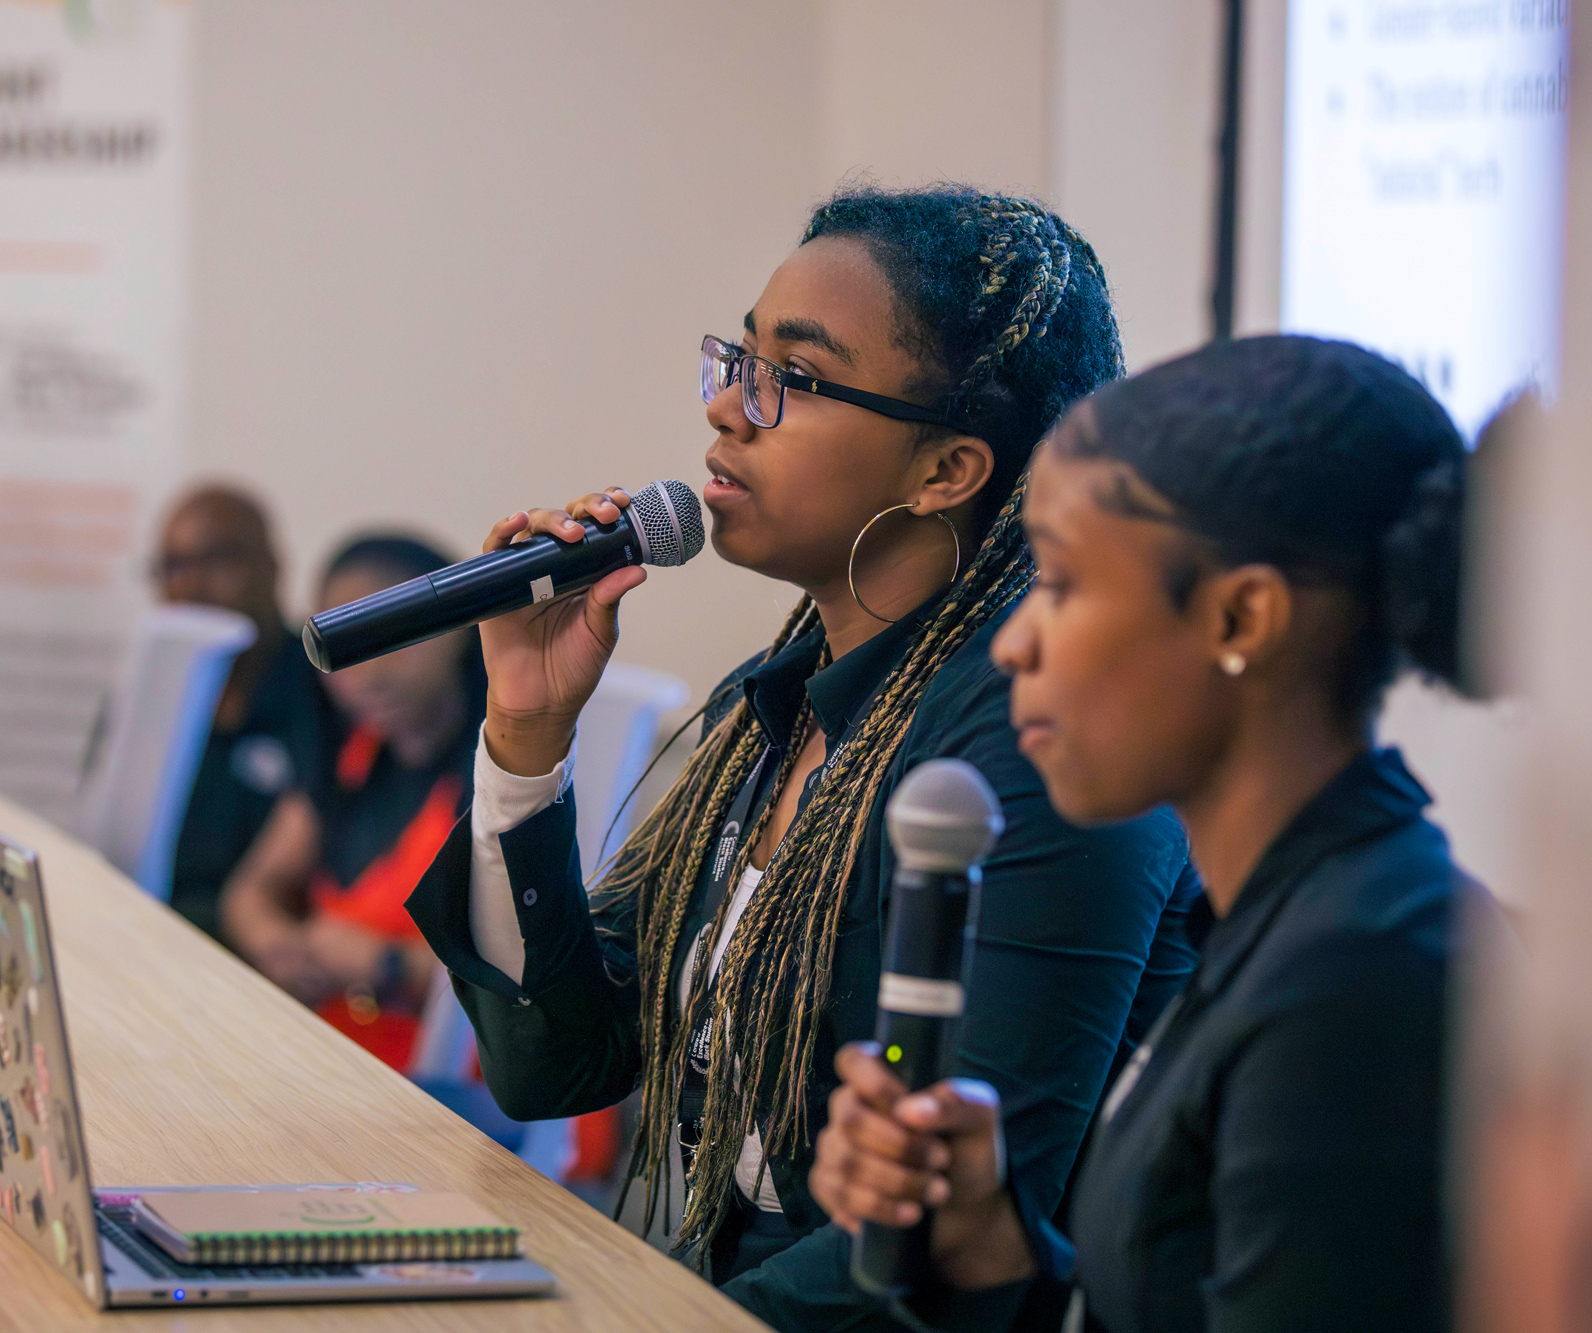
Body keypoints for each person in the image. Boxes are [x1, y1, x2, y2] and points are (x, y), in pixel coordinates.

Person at [403, 186, 1200, 1331]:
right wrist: (524, 735)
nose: (729, 406)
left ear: (945, 471)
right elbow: (556, 1065)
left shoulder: (1034, 759)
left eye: (794, 376)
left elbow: (940, 1252)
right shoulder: (773, 705)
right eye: (737, 357)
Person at [811, 335, 1502, 1332]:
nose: (1012, 641)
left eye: (1060, 583)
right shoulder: (1281, 915)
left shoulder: (1361, 974)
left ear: (1238, 618)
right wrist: (988, 1241)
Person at [221, 534, 486, 1071]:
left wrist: (382, 963)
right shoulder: (350, 756)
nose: (370, 670)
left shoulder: (507, 774)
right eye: (348, 643)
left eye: (398, 637)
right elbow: (251, 889)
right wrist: (276, 942)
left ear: (460, 628)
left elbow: (530, 978)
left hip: (461, 1087)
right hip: (335, 1053)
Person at [154, 484, 332, 945]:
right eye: (173, 566)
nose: (189, 586)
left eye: (218, 560)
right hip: (147, 932)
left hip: (269, 957)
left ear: (272, 568)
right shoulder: (151, 693)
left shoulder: (324, 689)